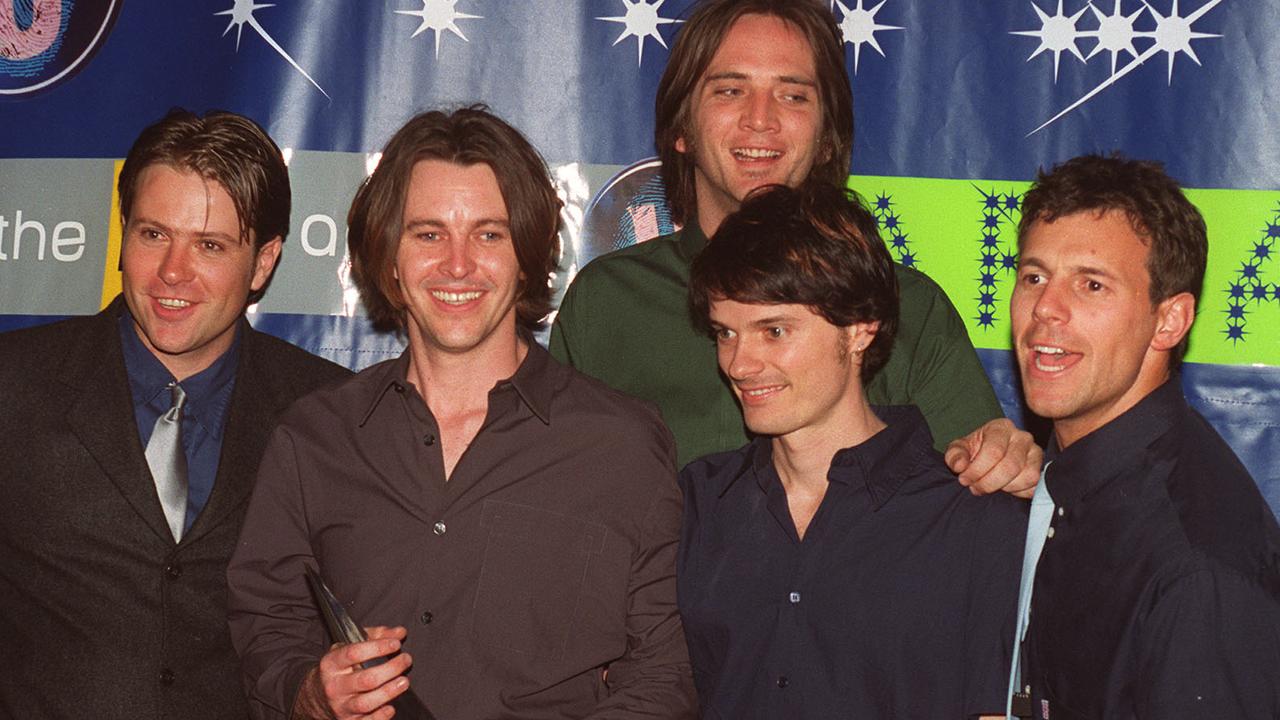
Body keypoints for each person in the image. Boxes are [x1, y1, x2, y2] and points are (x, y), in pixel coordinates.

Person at [226, 106, 697, 720]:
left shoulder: (621, 444)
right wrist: (309, 691)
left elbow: (665, 675)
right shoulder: (315, 438)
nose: (457, 264)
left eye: (488, 234)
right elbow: (268, 625)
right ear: (388, 259)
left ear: (527, 255)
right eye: (428, 234)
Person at [550, 0, 1038, 494]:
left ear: (828, 136)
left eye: (793, 96)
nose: (760, 120)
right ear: (681, 128)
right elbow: (554, 497)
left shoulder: (907, 307)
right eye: (730, 90)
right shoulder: (605, 303)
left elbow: (974, 487)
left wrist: (999, 456)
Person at [0, 109, 351, 720]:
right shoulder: (14, 383)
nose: (172, 273)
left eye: (210, 245)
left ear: (263, 263)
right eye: (153, 234)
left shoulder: (328, 413)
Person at [677, 182, 1024, 718]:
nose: (740, 364)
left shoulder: (972, 520)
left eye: (774, 330)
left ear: (861, 329)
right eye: (726, 333)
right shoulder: (700, 501)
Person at [1009, 154, 1280, 719]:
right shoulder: (1074, 479)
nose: (1045, 310)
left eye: (1091, 284)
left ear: (1169, 321)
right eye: (1034, 276)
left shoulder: (1194, 567)